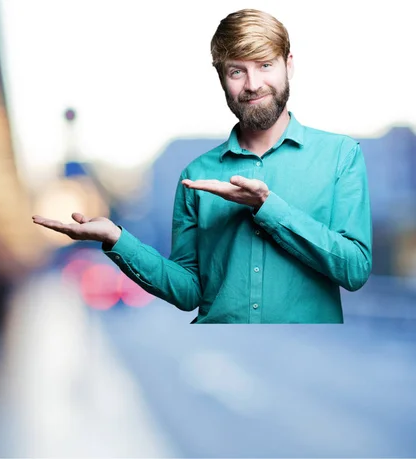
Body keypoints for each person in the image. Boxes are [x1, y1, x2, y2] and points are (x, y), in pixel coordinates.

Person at [32, 9, 372, 324]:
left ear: (289, 65)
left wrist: (268, 208)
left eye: (265, 65)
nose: (252, 84)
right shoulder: (195, 175)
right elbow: (189, 292)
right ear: (221, 78)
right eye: (237, 71)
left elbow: (355, 269)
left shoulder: (340, 155)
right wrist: (117, 240)